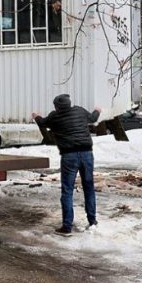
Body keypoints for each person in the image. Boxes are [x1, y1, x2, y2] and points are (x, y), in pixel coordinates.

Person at [33, 94, 101, 235]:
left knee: (67, 191)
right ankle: (92, 221)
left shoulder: (55, 116)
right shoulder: (79, 111)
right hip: (87, 154)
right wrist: (97, 110)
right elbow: (93, 119)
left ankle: (67, 227)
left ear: (57, 106)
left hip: (69, 156)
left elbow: (42, 123)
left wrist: (36, 116)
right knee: (89, 187)